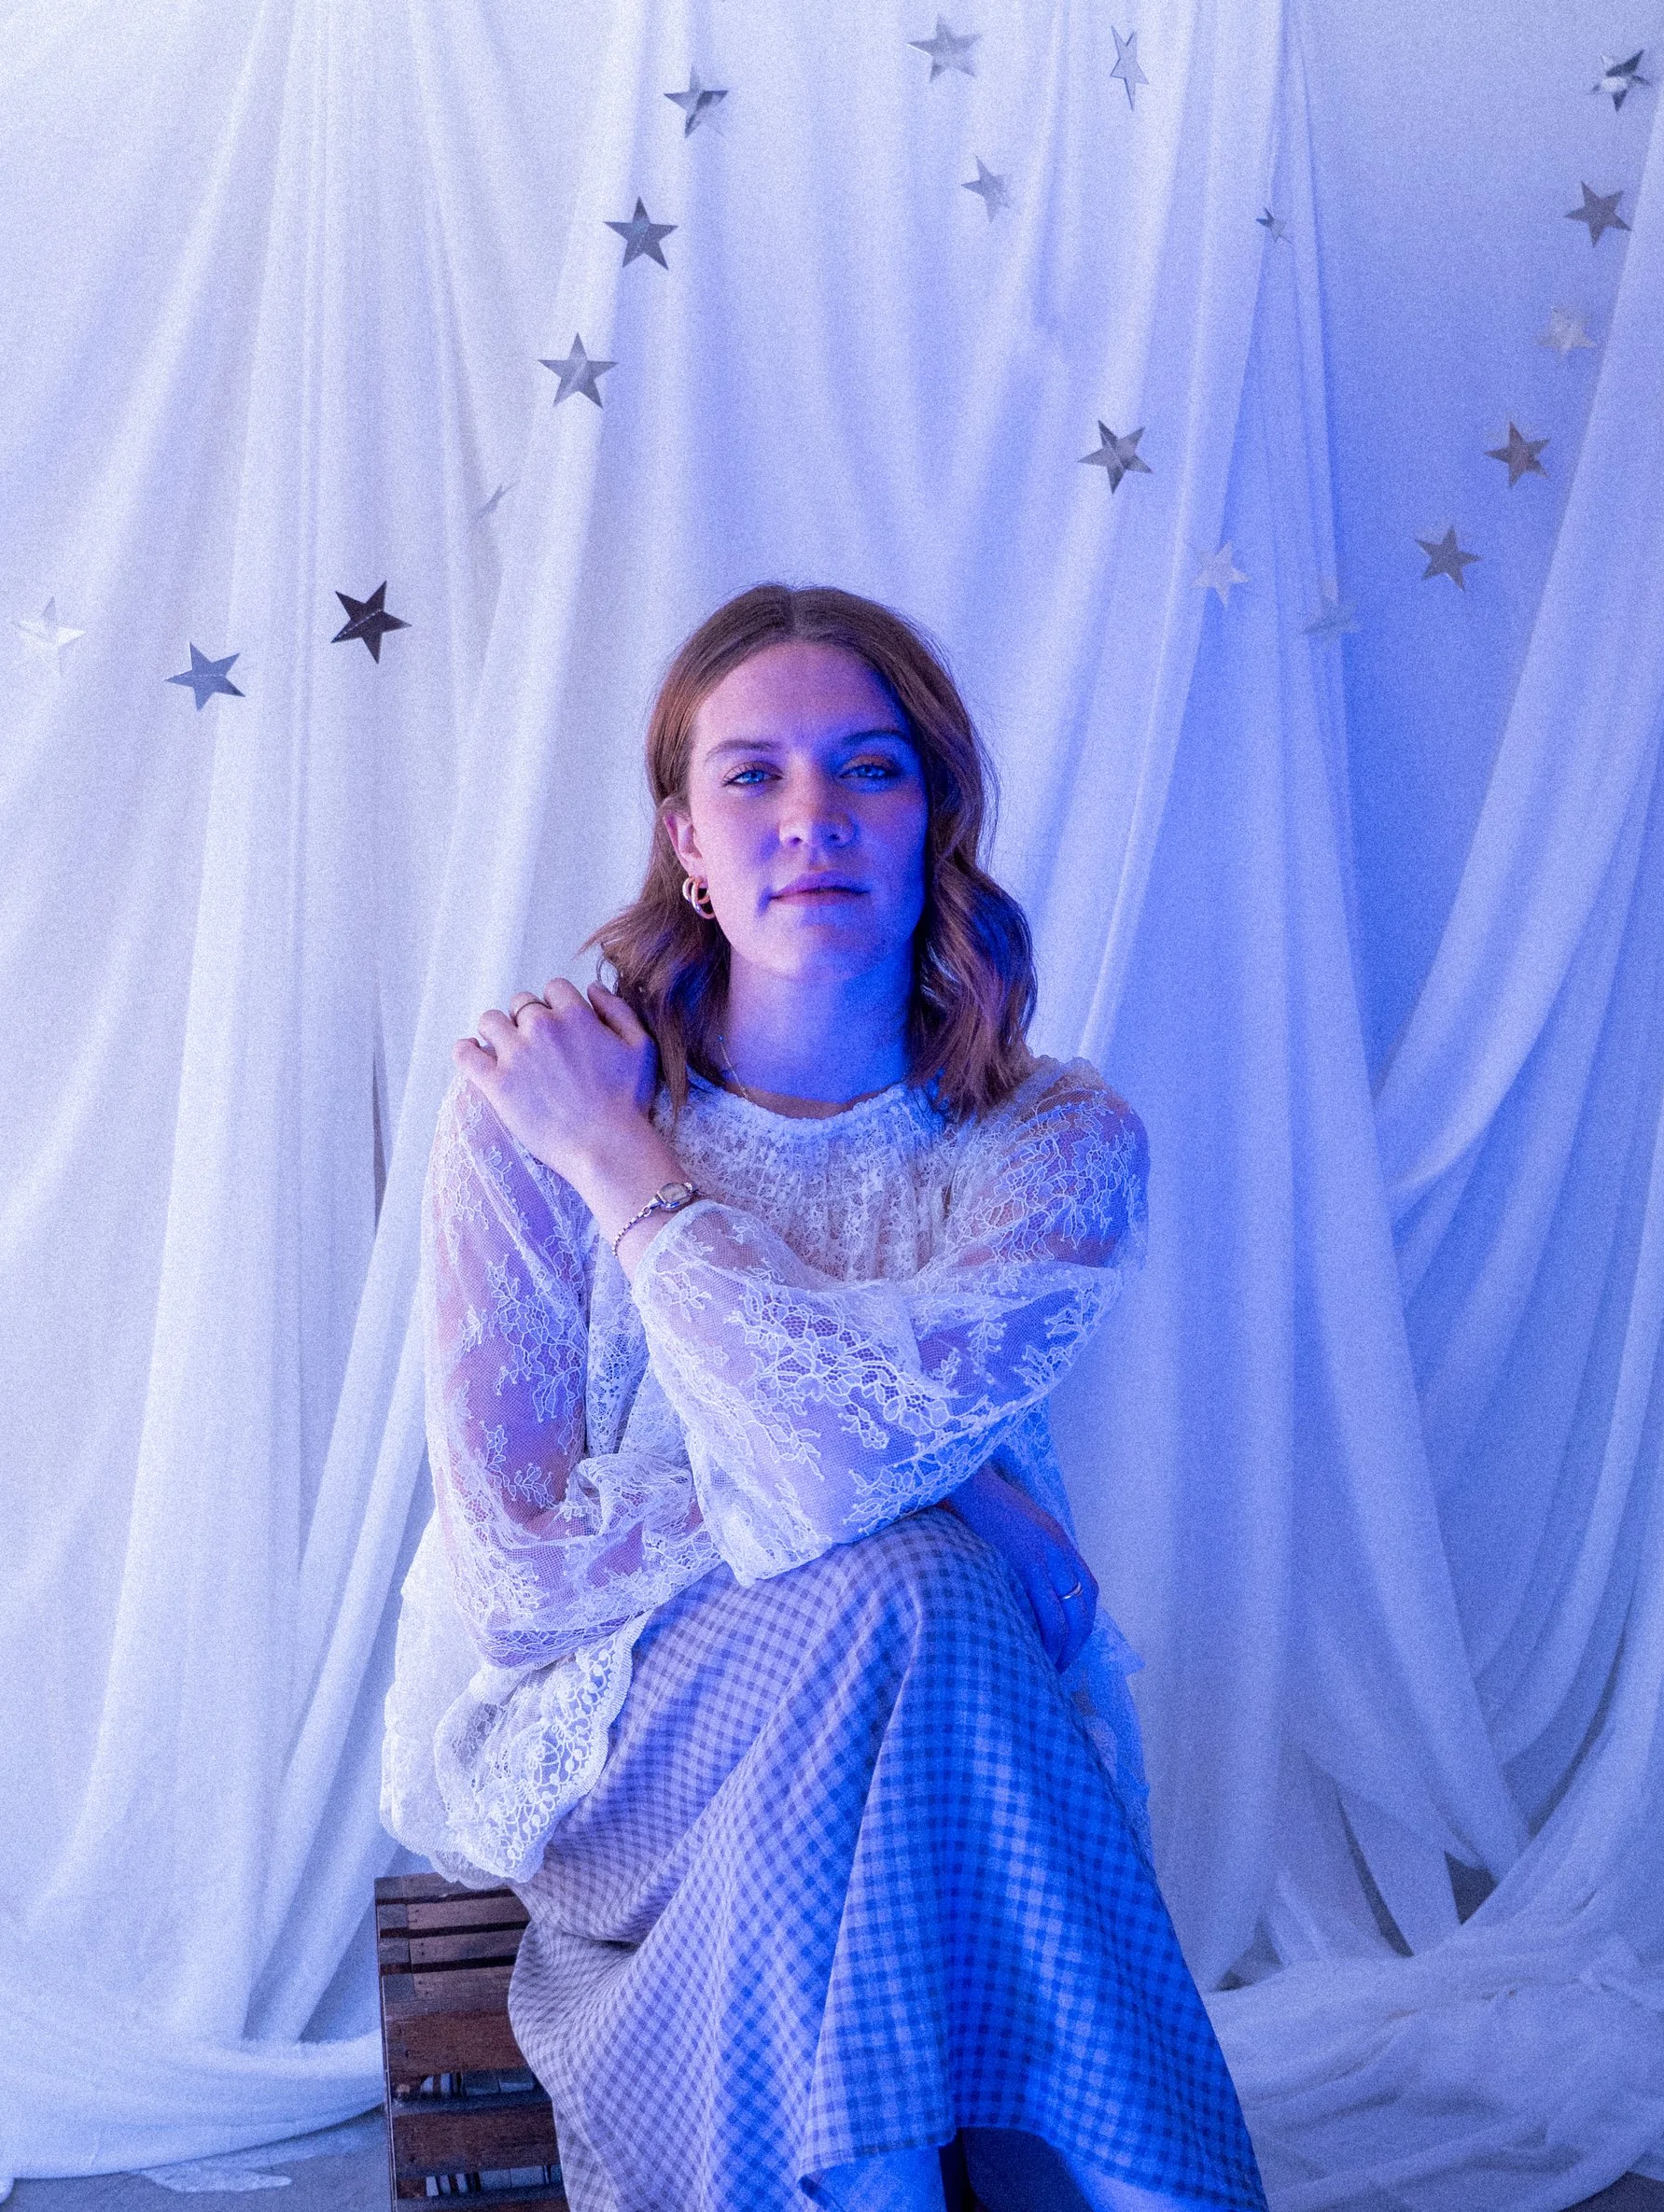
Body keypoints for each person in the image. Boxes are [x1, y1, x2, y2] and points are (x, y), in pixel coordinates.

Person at [381, 583, 1266, 2212]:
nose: (812, 818)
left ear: (935, 815)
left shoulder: (1051, 1146)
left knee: (901, 1601)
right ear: (685, 842)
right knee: (920, 1579)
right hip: (616, 1754)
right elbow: (521, 1582)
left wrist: (637, 1192)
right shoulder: (540, 1106)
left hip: (929, 1731)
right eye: (753, 776)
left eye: (869, 769)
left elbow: (815, 1464)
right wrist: (965, 1495)